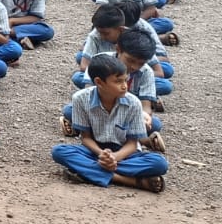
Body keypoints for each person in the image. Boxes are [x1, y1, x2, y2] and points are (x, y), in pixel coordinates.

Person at [51, 54, 169, 191]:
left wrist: (114, 158)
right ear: (99, 82)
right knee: (59, 151)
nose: (124, 86)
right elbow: (86, 138)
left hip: (124, 153)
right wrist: (102, 155)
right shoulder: (80, 99)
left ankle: (89, 172)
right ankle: (129, 181)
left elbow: (132, 143)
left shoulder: (133, 102)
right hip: (94, 151)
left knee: (159, 163)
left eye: (125, 80)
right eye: (118, 81)